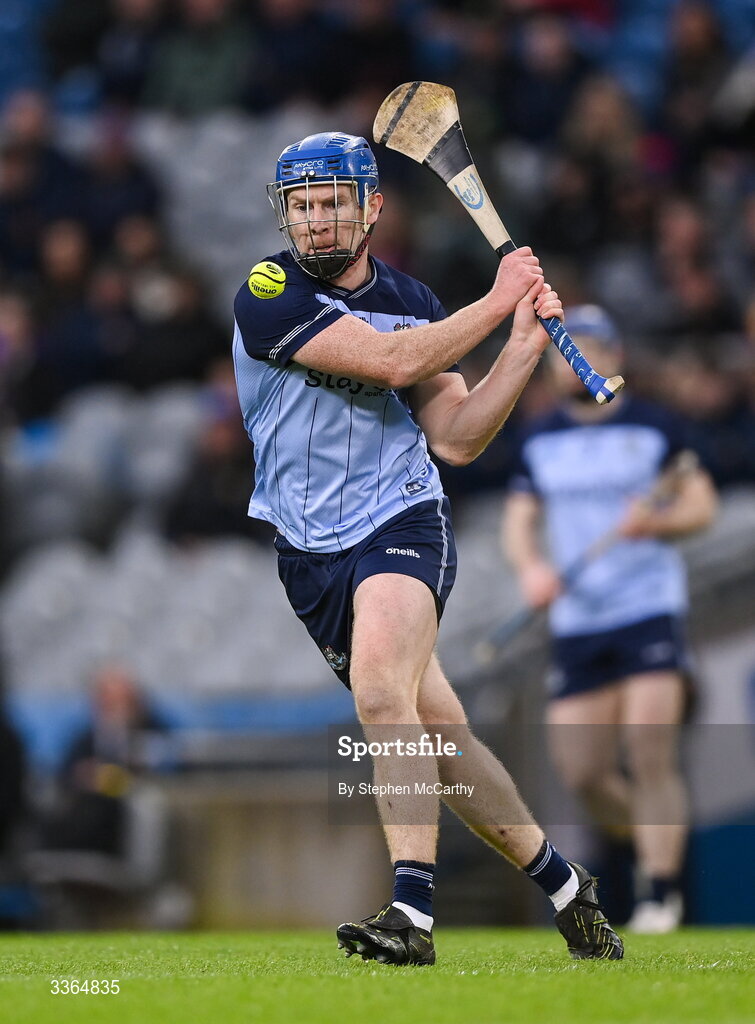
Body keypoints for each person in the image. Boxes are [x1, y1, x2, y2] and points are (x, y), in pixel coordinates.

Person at [232, 133, 623, 965]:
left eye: (331, 202)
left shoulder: (409, 294)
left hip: (400, 516)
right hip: (308, 550)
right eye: (300, 206)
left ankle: (410, 916)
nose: (313, 221)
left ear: (371, 207)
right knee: (439, 736)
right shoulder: (267, 290)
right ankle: (564, 884)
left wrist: (518, 344)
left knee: (381, 690)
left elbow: (456, 437)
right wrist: (497, 301)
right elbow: (387, 361)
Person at [502, 305, 717, 933]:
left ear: (615, 356)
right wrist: (532, 570)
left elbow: (699, 503)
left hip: (647, 608)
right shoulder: (539, 438)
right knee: (584, 773)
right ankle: (656, 833)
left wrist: (658, 521)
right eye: (568, 350)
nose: (579, 358)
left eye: (591, 347)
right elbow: (519, 522)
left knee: (649, 750)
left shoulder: (656, 427)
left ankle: (660, 893)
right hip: (578, 621)